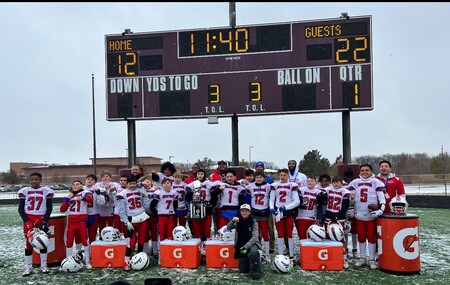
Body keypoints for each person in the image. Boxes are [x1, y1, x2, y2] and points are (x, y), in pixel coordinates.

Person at [347, 164, 386, 269]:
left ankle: (372, 259)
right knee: (361, 237)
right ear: (360, 172)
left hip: (371, 215)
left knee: (371, 237)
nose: (364, 172)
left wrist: (381, 209)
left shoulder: (376, 182)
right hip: (359, 214)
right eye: (362, 170)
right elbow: (350, 200)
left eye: (367, 170)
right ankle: (362, 258)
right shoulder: (354, 183)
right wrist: (351, 199)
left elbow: (382, 198)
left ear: (371, 171)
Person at [18, 172, 54, 276]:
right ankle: (28, 267)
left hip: (41, 217)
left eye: (36, 179)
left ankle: (44, 265)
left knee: (43, 241)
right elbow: (20, 209)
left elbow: (49, 208)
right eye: (32, 179)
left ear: (40, 180)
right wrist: (26, 221)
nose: (33, 181)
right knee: (28, 243)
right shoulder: (24, 191)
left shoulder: (46, 191)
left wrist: (44, 221)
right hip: (29, 217)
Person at [116, 176, 151, 271]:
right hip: (131, 219)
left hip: (142, 217)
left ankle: (139, 260)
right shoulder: (121, 194)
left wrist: (146, 196)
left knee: (141, 240)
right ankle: (126, 261)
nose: (132, 185)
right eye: (130, 183)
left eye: (134, 183)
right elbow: (121, 210)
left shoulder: (140, 190)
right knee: (131, 242)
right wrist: (126, 221)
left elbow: (146, 206)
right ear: (126, 184)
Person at [60, 180, 94, 268]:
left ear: (82, 186)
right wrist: (67, 199)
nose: (75, 185)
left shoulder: (86, 192)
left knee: (84, 241)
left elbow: (91, 200)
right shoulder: (70, 195)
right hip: (71, 221)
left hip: (82, 221)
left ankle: (87, 261)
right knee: (69, 242)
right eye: (73, 184)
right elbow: (62, 209)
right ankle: (68, 261)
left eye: (77, 184)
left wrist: (83, 198)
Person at [269, 168, 300, 259]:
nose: (282, 177)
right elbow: (271, 199)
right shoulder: (275, 185)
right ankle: (280, 253)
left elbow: (297, 201)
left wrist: (286, 207)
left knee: (289, 233)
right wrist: (271, 208)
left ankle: (291, 253)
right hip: (278, 212)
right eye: (281, 175)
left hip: (288, 212)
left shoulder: (292, 185)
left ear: (288, 176)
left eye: (284, 175)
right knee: (280, 233)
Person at [321, 175, 350, 268]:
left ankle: (344, 258)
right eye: (334, 182)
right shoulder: (328, 189)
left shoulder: (345, 192)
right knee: (327, 235)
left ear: (341, 183)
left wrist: (338, 216)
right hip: (329, 214)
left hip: (339, 216)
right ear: (332, 183)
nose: (336, 184)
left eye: (338, 182)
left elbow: (345, 206)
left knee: (340, 237)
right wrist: (321, 195)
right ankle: (331, 256)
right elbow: (321, 197)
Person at [227, 204, 262, 280]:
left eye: (246, 211)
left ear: (249, 212)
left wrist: (246, 247)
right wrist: (232, 220)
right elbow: (228, 227)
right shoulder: (237, 220)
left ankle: (256, 272)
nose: (244, 212)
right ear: (240, 212)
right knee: (243, 270)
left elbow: (255, 237)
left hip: (252, 244)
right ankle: (249, 264)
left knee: (254, 252)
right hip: (241, 244)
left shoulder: (253, 221)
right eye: (242, 210)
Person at [245, 171, 272, 261]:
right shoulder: (251, 186)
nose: (259, 179)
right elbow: (248, 200)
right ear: (254, 178)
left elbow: (272, 198)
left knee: (265, 233)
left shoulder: (268, 186)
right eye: (257, 177)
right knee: (256, 234)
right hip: (254, 212)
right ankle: (259, 252)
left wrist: (269, 208)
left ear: (264, 178)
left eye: (261, 177)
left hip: (264, 213)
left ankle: (267, 254)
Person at [255, 161, 275, 253]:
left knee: (270, 228)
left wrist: (271, 206)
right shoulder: (254, 180)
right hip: (257, 208)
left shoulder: (269, 180)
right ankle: (258, 245)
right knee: (257, 229)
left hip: (267, 207)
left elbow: (273, 193)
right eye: (258, 167)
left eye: (260, 166)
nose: (259, 168)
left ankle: (271, 245)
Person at [295, 176, 320, 240]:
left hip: (312, 217)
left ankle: (310, 250)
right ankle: (302, 250)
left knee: (312, 237)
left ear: (316, 182)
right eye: (308, 181)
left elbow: (320, 206)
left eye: (312, 181)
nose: (310, 182)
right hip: (301, 217)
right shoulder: (301, 190)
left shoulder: (318, 192)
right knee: (301, 237)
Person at [342, 167, 359, 259]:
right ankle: (346, 249)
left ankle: (355, 249)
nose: (348, 178)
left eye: (350, 176)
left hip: (354, 209)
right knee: (345, 231)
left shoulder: (355, 184)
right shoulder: (341, 185)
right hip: (344, 210)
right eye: (347, 176)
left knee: (354, 232)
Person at [97, 170, 120, 235]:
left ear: (110, 178)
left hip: (111, 208)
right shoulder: (98, 185)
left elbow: (116, 197)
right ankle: (101, 237)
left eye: (107, 176)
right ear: (101, 178)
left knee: (111, 226)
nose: (105, 178)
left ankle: (112, 237)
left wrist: (110, 191)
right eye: (103, 177)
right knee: (101, 226)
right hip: (101, 209)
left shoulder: (114, 185)